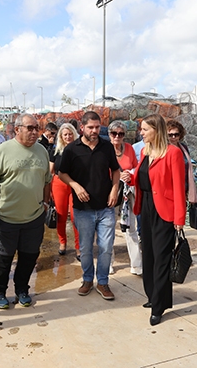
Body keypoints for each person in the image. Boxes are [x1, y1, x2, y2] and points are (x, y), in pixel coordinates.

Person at [0, 113, 52, 310]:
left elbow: (47, 180)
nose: (34, 132)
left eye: (36, 128)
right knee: (4, 258)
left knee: (29, 256)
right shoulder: (2, 151)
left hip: (34, 216)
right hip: (7, 217)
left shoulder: (42, 151)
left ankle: (22, 289)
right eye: (30, 128)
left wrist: (45, 203)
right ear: (17, 129)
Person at [130, 113, 186, 326]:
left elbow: (179, 188)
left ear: (156, 130)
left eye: (144, 129)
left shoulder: (173, 153)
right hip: (145, 208)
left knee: (162, 259)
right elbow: (142, 177)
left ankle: (159, 306)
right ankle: (152, 296)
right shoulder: (145, 151)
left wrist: (179, 218)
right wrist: (131, 177)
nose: (141, 133)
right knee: (149, 256)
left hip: (165, 212)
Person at [59, 111, 120, 300]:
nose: (95, 131)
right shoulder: (71, 149)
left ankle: (102, 282)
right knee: (85, 248)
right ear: (82, 127)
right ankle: (87, 280)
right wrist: (75, 186)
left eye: (97, 127)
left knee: (106, 247)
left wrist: (114, 190)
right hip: (83, 209)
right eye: (91, 127)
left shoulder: (107, 147)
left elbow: (116, 170)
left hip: (106, 208)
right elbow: (62, 173)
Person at [108, 120, 141, 275]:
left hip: (128, 193)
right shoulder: (105, 149)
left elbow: (135, 166)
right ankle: (107, 263)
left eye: (121, 134)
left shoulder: (128, 148)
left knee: (131, 227)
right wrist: (117, 175)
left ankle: (136, 264)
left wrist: (130, 173)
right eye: (114, 133)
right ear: (109, 134)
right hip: (112, 192)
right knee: (108, 228)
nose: (117, 137)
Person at [49, 123, 80, 260]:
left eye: (70, 134)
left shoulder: (79, 149)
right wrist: (49, 190)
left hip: (75, 184)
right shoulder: (55, 151)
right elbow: (50, 171)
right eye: (65, 134)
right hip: (59, 184)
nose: (68, 137)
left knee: (76, 217)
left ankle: (79, 247)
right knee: (60, 216)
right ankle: (62, 242)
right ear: (61, 136)